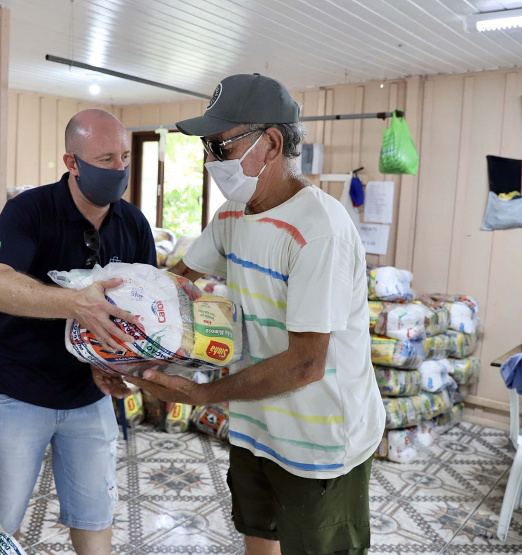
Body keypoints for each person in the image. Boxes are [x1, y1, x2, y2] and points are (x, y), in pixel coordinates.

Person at [122, 74, 385, 555]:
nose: (210, 161)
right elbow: (174, 286)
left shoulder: (319, 230)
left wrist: (204, 394)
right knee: (258, 536)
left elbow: (307, 362)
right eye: (206, 147)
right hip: (255, 426)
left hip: (318, 440)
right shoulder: (232, 215)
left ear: (270, 143)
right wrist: (119, 338)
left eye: (220, 146)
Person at [0, 109, 156, 555]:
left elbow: (144, 310)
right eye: (106, 158)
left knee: (95, 517)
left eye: (124, 157)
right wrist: (73, 303)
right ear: (72, 163)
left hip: (89, 397)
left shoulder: (132, 223)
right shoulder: (29, 210)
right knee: (0, 522)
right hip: (17, 393)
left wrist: (123, 364)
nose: (119, 169)